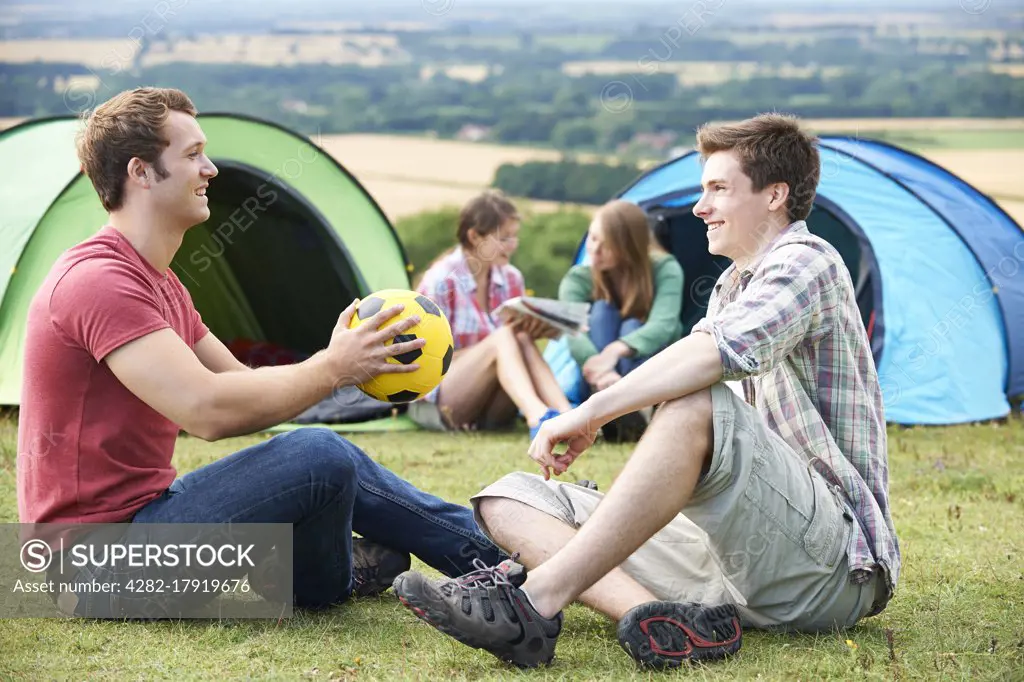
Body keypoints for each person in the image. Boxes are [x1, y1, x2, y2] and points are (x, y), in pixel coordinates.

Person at [391, 113, 901, 670]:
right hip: (731, 562)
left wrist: (588, 412)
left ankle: (533, 604)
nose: (700, 207)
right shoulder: (731, 286)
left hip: (830, 566)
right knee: (509, 498)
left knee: (697, 398)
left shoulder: (809, 263)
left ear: (775, 194)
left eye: (718, 189)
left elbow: (713, 355)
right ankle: (662, 619)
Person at [15, 87, 504, 618]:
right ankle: (497, 561)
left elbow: (241, 381)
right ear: (140, 172)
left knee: (323, 462)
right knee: (320, 454)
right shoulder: (98, 282)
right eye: (192, 154)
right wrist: (331, 367)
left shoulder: (161, 284)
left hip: (143, 528)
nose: (210, 169)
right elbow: (209, 409)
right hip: (85, 568)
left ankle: (377, 567)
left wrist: (339, 362)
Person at [409, 190, 572, 438]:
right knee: (504, 338)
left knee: (521, 337)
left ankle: (568, 416)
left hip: (489, 405)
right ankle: (537, 416)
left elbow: (516, 345)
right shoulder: (442, 280)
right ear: (474, 236)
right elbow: (425, 359)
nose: (513, 245)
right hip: (439, 398)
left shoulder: (511, 278)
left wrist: (538, 329)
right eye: (504, 238)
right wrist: (488, 351)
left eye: (515, 237)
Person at [557, 199, 684, 440]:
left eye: (607, 245)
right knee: (603, 311)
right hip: (598, 375)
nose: (594, 250)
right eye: (593, 238)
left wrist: (616, 350)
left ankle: (631, 409)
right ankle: (616, 406)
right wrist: (600, 369)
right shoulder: (579, 278)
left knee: (633, 325)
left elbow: (664, 324)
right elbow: (571, 329)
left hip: (649, 369)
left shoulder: (665, 268)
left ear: (629, 247)